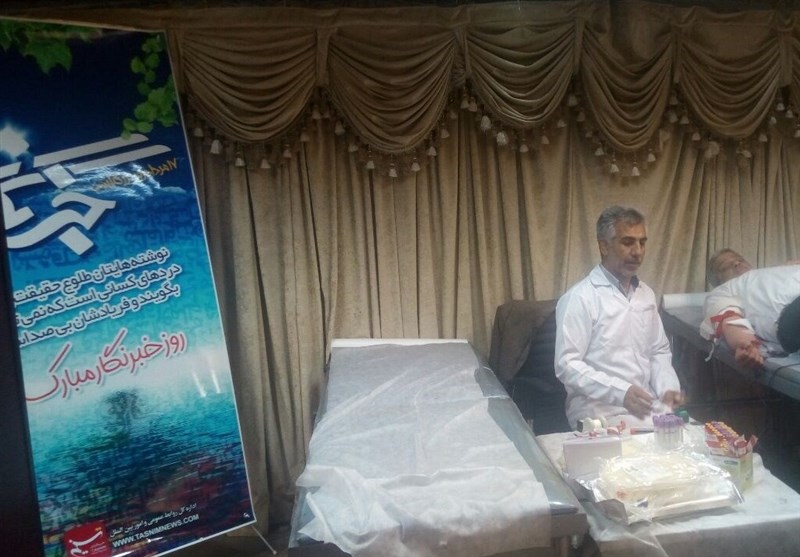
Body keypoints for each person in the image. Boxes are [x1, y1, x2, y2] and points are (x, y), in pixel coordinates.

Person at [554, 206, 684, 429]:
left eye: (642, 243)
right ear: (604, 246)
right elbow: (567, 365)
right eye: (628, 242)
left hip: (647, 409)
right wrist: (620, 392)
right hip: (598, 414)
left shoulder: (646, 294)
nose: (638, 252)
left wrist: (668, 389)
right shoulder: (580, 298)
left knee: (698, 441)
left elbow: (658, 351)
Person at [700, 264, 800, 367]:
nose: (737, 264)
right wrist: (745, 343)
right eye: (725, 266)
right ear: (718, 281)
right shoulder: (724, 290)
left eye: (740, 260)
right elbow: (729, 319)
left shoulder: (776, 271)